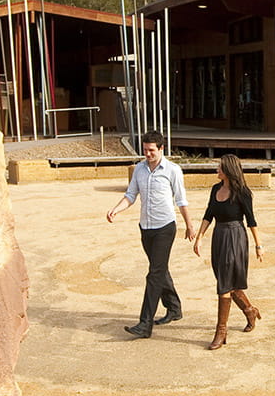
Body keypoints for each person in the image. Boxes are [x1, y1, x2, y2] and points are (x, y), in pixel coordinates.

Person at [105, 131, 192, 338]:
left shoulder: (173, 170)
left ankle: (145, 324)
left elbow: (181, 200)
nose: (148, 154)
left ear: (161, 149)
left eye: (151, 150)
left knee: (154, 274)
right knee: (159, 269)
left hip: (165, 227)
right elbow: (130, 195)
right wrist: (116, 209)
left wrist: (190, 225)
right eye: (145, 150)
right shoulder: (139, 170)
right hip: (146, 228)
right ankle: (174, 308)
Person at [190, 154, 264, 350]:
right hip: (219, 237)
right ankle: (249, 310)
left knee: (224, 284)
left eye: (220, 167)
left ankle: (221, 331)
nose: (217, 170)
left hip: (235, 237)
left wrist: (258, 246)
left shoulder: (242, 193)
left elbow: (251, 220)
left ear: (228, 170)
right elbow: (208, 215)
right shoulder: (215, 189)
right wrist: (199, 238)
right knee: (226, 282)